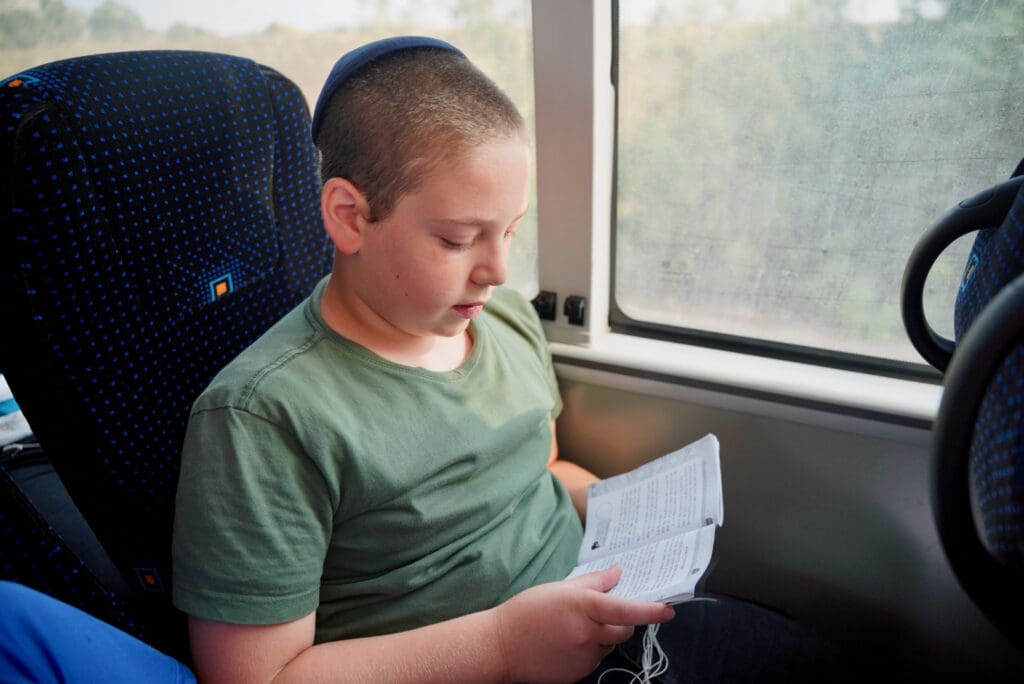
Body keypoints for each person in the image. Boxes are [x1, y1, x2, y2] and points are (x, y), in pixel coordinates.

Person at [0, 36, 847, 684]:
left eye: (510, 231)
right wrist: (504, 644)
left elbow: (538, 470)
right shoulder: (266, 416)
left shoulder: (502, 320)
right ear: (348, 217)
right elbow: (256, 677)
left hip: (594, 616)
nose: (499, 269)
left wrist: (632, 512)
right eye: (457, 238)